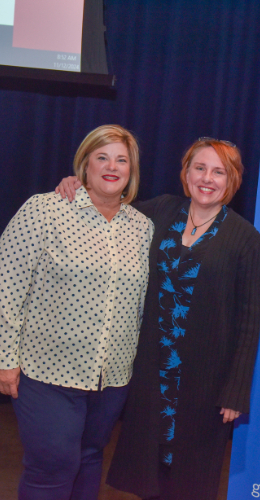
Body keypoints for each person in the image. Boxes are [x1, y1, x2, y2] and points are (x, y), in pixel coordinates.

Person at [56, 137, 260, 500]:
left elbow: (248, 320)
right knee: (148, 475)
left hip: (206, 381)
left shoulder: (246, 238)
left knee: (190, 479)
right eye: (199, 168)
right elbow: (108, 203)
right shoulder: (159, 211)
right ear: (186, 174)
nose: (207, 178)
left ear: (232, 181)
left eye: (219, 172)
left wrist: (235, 391)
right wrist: (77, 184)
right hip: (151, 374)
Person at [0, 125, 154, 500]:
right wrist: (5, 358)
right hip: (48, 373)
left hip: (111, 378)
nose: (112, 166)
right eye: (101, 157)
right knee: (52, 467)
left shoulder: (143, 227)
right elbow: (7, 287)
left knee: (88, 458)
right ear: (84, 164)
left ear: (132, 171)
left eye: (121, 159)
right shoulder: (45, 210)